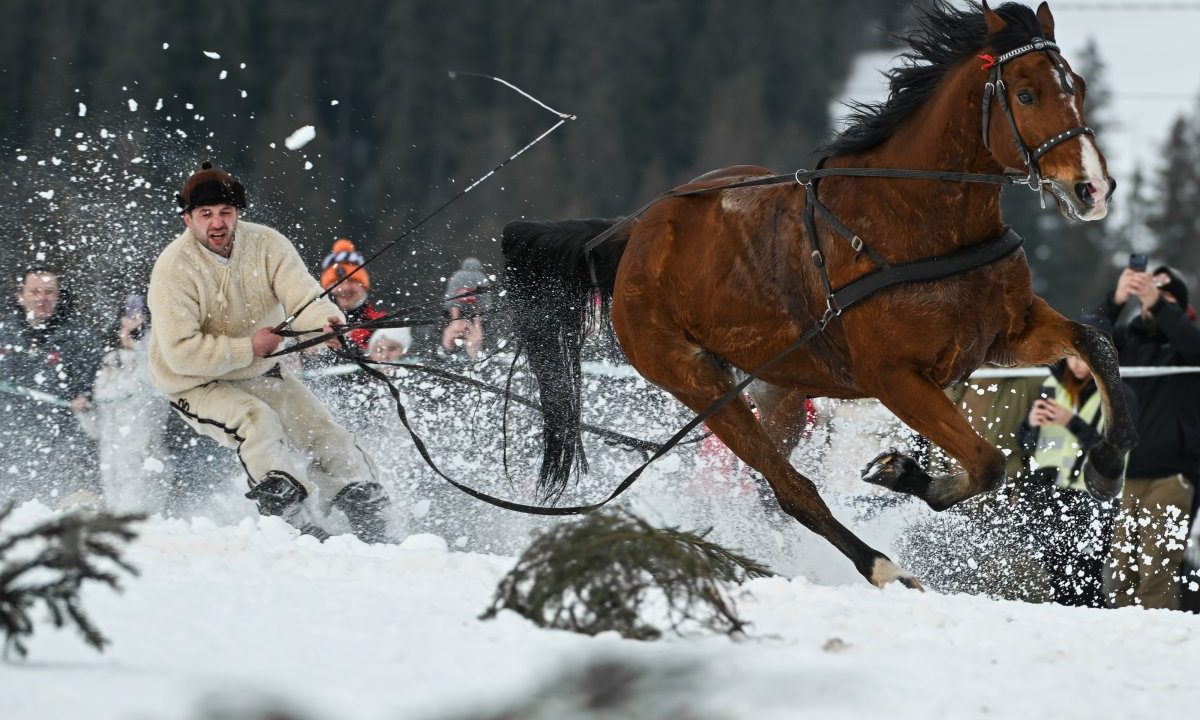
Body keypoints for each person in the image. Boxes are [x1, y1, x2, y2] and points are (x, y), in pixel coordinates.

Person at [147, 162, 392, 542]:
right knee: (257, 421)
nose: (217, 223)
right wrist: (249, 347)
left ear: (238, 214)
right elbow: (180, 353)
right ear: (187, 220)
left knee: (323, 431)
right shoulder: (172, 269)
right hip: (195, 382)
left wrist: (326, 322)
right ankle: (289, 518)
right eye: (206, 214)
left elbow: (304, 296)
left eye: (225, 213)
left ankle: (364, 505)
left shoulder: (268, 244)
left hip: (260, 370)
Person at [1015, 314, 1138, 608]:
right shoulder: (1050, 385)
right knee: (1059, 578)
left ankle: (1096, 632)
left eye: (1086, 358)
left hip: (1093, 496)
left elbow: (1115, 450)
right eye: (1073, 356)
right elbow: (1027, 445)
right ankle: (1073, 637)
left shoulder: (1121, 395)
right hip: (1049, 494)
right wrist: (1030, 424)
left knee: (1086, 577)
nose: (1078, 364)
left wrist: (1071, 421)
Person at [1096, 264, 1200, 610]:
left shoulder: (1187, 344)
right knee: (1120, 575)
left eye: (1166, 299)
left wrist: (1159, 303)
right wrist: (1117, 298)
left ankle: (1158, 646)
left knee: (1157, 573)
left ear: (1179, 308)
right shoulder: (1128, 340)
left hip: (1172, 477)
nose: (1151, 304)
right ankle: (1126, 649)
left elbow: (1193, 345)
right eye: (1146, 297)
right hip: (1128, 476)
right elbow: (1085, 341)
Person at [0, 267, 101, 507]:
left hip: (64, 446)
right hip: (10, 443)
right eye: (34, 291)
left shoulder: (79, 336)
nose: (41, 298)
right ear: (21, 296)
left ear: (58, 296)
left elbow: (99, 378)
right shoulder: (5, 334)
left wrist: (86, 396)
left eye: (49, 292)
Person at [319, 238, 386, 352]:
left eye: (352, 280)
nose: (345, 288)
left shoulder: (384, 323)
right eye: (337, 282)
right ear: (327, 288)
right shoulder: (311, 323)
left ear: (364, 285)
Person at [441, 258, 491, 360]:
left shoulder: (457, 276)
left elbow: (451, 300)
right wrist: (477, 323)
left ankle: (448, 352)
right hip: (475, 316)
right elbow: (484, 302)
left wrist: (455, 320)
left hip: (455, 314)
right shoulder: (481, 277)